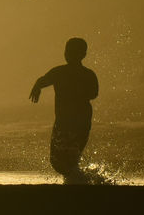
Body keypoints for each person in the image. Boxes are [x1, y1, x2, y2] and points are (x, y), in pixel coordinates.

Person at [30, 37, 99, 183]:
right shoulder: (87, 74)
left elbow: (93, 93)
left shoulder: (61, 72)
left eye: (70, 52)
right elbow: (94, 94)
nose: (67, 54)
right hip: (82, 121)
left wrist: (37, 86)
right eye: (67, 51)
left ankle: (82, 181)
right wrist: (37, 86)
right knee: (71, 157)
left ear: (82, 54)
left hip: (67, 122)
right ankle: (83, 181)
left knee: (58, 161)